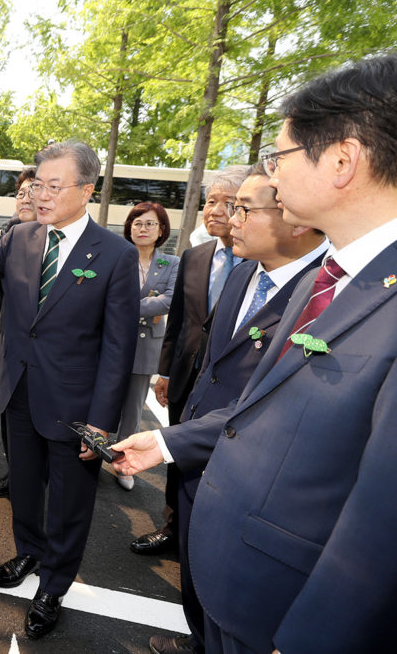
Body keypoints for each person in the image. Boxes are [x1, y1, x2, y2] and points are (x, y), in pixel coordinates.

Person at [114, 54, 397, 653]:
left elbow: (380, 536)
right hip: (232, 582)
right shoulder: (333, 278)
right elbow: (258, 411)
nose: (270, 174)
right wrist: (165, 441)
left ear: (343, 160)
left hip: (285, 617)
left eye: (281, 155)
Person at [0, 141, 138, 640]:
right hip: (18, 391)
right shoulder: (20, 237)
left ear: (87, 189)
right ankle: (28, 552)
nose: (41, 193)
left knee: (69, 501)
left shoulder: (116, 255)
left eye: (54, 185)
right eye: (38, 182)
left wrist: (102, 421)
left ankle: (54, 584)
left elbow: (118, 348)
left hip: (77, 406)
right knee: (23, 486)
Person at [147, 166, 326, 654]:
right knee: (194, 573)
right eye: (230, 206)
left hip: (252, 477)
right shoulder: (244, 271)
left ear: (296, 219)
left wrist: (165, 442)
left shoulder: (324, 296)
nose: (228, 217)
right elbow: (213, 366)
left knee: (233, 598)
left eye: (245, 208)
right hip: (194, 460)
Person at [130, 166, 247, 555]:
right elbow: (179, 320)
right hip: (185, 377)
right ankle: (172, 526)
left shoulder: (258, 265)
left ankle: (207, 539)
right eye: (210, 201)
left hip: (232, 385)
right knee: (176, 450)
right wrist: (164, 373)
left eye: (226, 203)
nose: (214, 210)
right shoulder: (195, 256)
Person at [114, 202, 179, 491]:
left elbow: (170, 299)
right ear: (129, 228)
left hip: (145, 345)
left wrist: (125, 306)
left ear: (161, 230)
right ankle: (94, 446)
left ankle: (122, 461)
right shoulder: (117, 257)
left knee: (133, 408)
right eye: (137, 223)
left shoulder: (172, 263)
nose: (142, 229)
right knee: (102, 398)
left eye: (150, 224)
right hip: (112, 340)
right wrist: (147, 307)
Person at [0, 168, 36, 497]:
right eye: (21, 193)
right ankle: (15, 472)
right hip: (9, 342)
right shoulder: (8, 235)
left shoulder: (62, 240)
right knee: (8, 411)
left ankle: (37, 475)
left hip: (48, 352)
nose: (26, 198)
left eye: (34, 192)